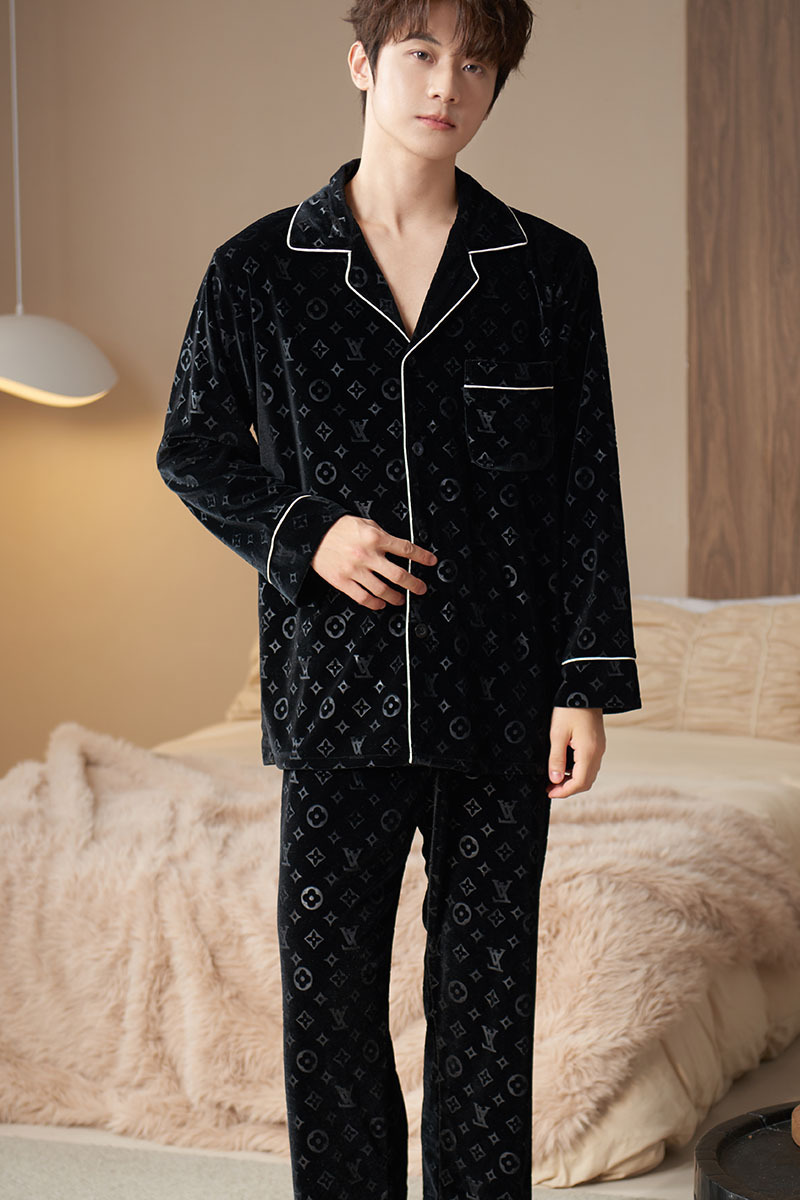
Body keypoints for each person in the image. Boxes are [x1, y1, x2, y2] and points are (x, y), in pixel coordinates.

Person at [157, 1, 641, 1196]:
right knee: (326, 1008)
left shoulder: (546, 273)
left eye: (475, 62)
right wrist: (308, 536)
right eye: (420, 54)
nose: (446, 84)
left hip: (500, 693)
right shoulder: (259, 270)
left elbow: (584, 488)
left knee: (486, 1012)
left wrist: (582, 685)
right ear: (362, 64)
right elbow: (193, 446)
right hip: (335, 694)